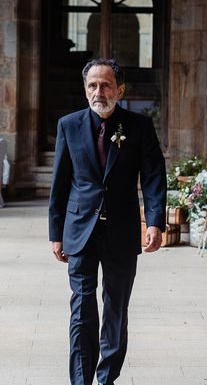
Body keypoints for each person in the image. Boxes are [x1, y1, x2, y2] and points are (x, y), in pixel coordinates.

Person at [48, 58, 166, 385]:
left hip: (122, 231)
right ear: (85, 89)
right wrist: (56, 233)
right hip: (79, 231)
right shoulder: (68, 126)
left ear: (120, 90)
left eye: (105, 85)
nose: (98, 92)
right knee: (82, 311)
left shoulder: (139, 127)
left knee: (115, 311)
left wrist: (154, 221)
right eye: (92, 85)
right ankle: (81, 381)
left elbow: (154, 176)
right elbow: (60, 183)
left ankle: (106, 379)